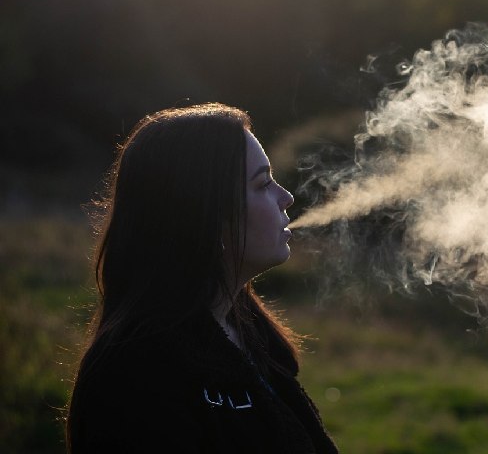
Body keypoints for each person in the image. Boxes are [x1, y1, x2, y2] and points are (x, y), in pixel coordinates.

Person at [65, 103, 338, 453]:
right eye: (262, 184)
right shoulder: (134, 376)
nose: (286, 197)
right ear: (206, 212)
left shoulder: (250, 334)